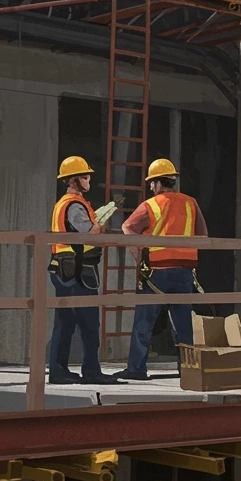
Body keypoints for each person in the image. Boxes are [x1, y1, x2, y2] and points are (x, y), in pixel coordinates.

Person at [115, 158, 207, 381]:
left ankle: (136, 369)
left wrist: (139, 255)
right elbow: (203, 235)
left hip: (156, 271)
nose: (150, 188)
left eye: (151, 183)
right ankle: (188, 369)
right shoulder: (190, 203)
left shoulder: (152, 204)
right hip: (184, 271)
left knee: (144, 321)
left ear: (157, 183)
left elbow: (127, 227)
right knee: (184, 324)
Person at [48, 157, 118, 385]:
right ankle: (91, 371)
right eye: (85, 177)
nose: (89, 180)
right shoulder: (75, 205)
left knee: (65, 322)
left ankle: (59, 371)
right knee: (89, 323)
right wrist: (103, 225)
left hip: (65, 269)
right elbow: (90, 233)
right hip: (77, 270)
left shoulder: (65, 203)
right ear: (73, 180)